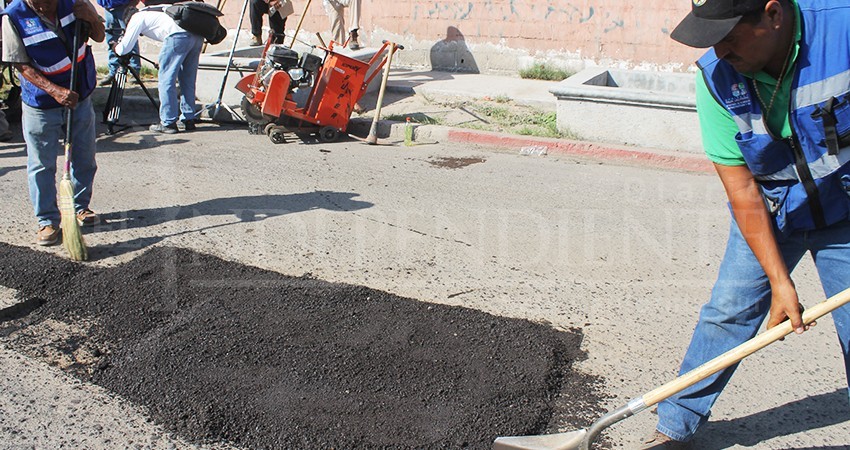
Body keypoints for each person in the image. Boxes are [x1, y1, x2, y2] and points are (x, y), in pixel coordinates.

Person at [644, 0, 850, 447]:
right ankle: (675, 427)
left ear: (773, 15)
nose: (720, 52)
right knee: (729, 311)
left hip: (845, 208)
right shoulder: (716, 77)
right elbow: (741, 190)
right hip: (772, 207)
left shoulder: (843, 30)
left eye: (730, 36)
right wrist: (779, 282)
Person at [2, 0, 105, 246]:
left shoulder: (75, 3)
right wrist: (54, 91)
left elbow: (99, 37)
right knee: (41, 164)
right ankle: (47, 220)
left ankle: (80, 207)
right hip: (41, 101)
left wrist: (92, 17)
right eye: (41, 2)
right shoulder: (13, 16)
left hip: (80, 92)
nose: (47, 6)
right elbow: (20, 64)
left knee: (84, 156)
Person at [113, 4, 202, 133]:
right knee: (187, 80)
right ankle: (188, 119)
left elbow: (124, 49)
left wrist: (115, 47)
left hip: (177, 36)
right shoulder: (153, 11)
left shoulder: (136, 18)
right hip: (196, 35)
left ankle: (168, 122)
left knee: (166, 80)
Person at [96, 0, 140, 86]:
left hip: (124, 7)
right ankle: (114, 71)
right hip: (108, 7)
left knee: (130, 39)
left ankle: (134, 71)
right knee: (111, 40)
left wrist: (133, 4)